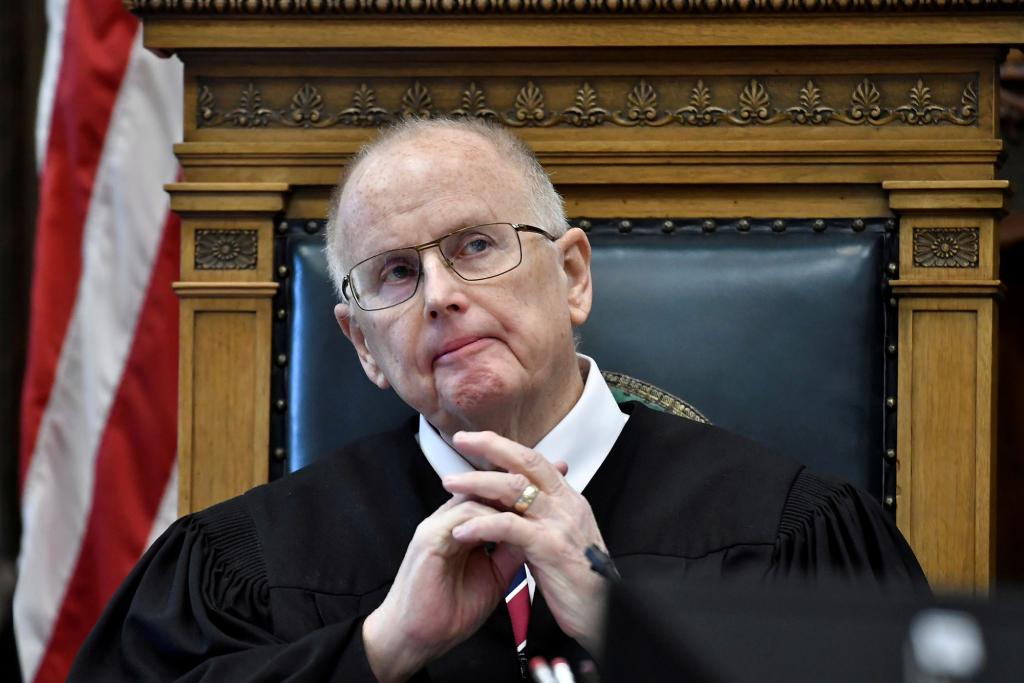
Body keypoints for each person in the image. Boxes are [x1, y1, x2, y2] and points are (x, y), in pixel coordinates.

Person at [69, 118, 925, 682]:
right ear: (362, 345)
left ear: (574, 276)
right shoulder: (239, 566)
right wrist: (375, 650)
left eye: (476, 245)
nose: (440, 294)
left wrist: (631, 636)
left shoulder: (798, 534)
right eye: (396, 273)